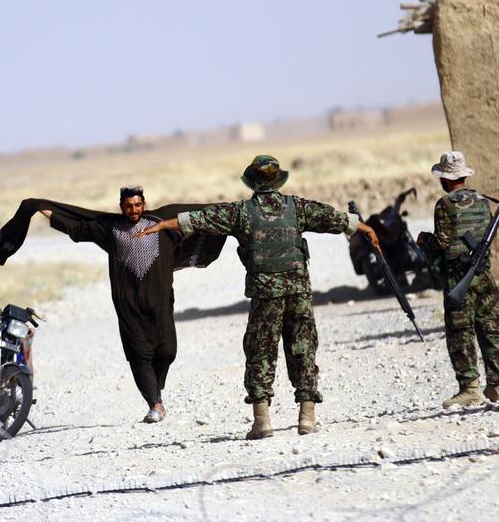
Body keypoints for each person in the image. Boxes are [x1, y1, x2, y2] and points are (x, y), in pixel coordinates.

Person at [135, 155, 379, 439]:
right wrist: (365, 228)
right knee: (303, 349)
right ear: (277, 181)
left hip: (265, 294)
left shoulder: (241, 212)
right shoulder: (297, 207)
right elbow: (333, 219)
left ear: (252, 182)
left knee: (261, 353)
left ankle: (262, 422)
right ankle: (307, 418)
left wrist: (158, 226)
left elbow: (197, 220)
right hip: (298, 291)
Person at [0, 188, 226, 423]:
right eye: (129, 206)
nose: (134, 209)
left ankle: (154, 386)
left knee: (167, 351)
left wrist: (232, 216)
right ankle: (155, 404)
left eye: (138, 204)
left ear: (144, 204)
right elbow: (74, 226)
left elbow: (200, 218)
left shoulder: (163, 222)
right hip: (127, 304)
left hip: (161, 302)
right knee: (139, 354)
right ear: (121, 207)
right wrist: (39, 208)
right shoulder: (109, 229)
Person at [416, 151, 499, 408]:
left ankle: (469, 389)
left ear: (445, 180)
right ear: (464, 176)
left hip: (459, 277)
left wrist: (425, 240)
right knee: (490, 328)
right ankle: (498, 384)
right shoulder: (482, 201)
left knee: (460, 332)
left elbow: (443, 242)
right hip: (483, 275)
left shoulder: (445, 204)